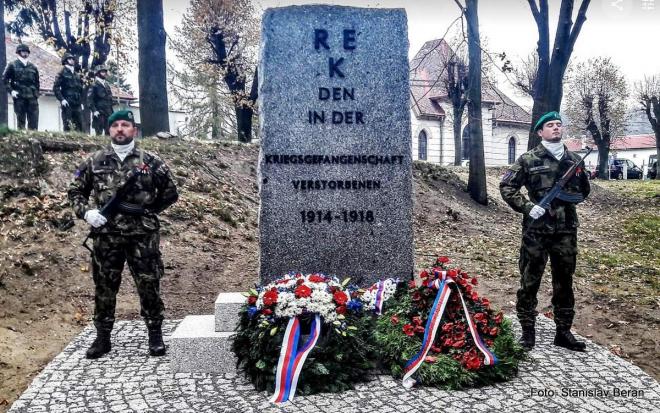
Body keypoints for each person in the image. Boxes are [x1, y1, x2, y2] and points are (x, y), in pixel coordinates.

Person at [68, 109, 178, 359]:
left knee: (148, 283)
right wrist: (87, 213)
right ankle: (103, 337)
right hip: (106, 235)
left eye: (125, 125)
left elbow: (171, 192)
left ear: (134, 130)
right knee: (105, 286)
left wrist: (149, 210)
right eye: (115, 125)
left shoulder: (151, 161)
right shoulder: (93, 161)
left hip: (142, 235)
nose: (120, 129)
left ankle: (155, 335)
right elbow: (75, 191)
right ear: (109, 130)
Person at [499, 111, 590, 352]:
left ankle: (563, 332)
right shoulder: (528, 159)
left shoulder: (573, 159)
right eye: (550, 125)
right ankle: (528, 332)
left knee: (564, 281)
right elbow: (507, 187)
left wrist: (580, 175)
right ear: (540, 132)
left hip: (566, 230)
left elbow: (583, 193)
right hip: (536, 231)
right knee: (530, 280)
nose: (556, 128)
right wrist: (528, 207)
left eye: (559, 125)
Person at [3, 44, 40, 130]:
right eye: (23, 51)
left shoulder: (33, 67)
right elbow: (5, 79)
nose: (25, 53)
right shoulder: (12, 65)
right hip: (19, 96)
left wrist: (36, 93)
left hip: (32, 97)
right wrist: (11, 91)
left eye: (26, 52)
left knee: (33, 119)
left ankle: (33, 136)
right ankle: (23, 137)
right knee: (21, 119)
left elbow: (37, 82)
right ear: (19, 52)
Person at [53, 53, 84, 132]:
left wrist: (81, 102)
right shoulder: (62, 72)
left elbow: (80, 89)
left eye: (73, 59)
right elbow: (56, 87)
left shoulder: (77, 74)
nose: (72, 60)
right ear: (65, 61)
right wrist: (62, 99)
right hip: (67, 101)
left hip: (77, 102)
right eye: (70, 59)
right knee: (68, 123)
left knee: (80, 124)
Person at [87, 65, 114, 135]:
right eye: (102, 72)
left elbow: (110, 99)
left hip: (108, 112)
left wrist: (111, 110)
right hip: (99, 111)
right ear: (98, 73)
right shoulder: (94, 85)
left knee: (109, 132)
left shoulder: (107, 85)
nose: (105, 73)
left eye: (105, 72)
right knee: (99, 132)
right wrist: (94, 110)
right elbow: (89, 99)